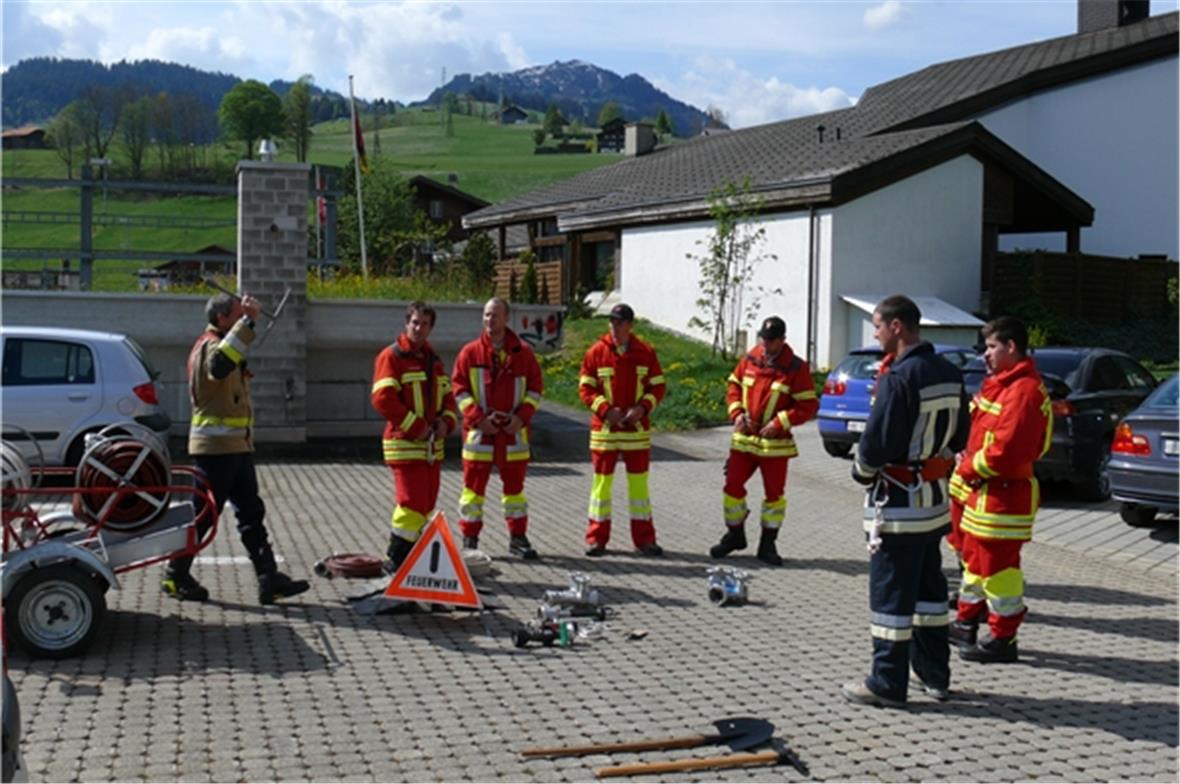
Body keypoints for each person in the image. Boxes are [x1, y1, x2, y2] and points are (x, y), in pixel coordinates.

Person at [842, 295, 969, 708]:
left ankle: (887, 682)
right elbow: (961, 437)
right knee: (930, 593)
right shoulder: (949, 372)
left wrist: (859, 472)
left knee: (891, 599)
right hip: (932, 504)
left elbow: (877, 444)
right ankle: (935, 676)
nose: (875, 333)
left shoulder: (899, 377)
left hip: (896, 505)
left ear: (898, 326)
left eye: (877, 325)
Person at [162, 292, 310, 605]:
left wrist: (244, 324)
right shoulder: (210, 347)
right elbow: (219, 366)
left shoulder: (223, 343)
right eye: (236, 313)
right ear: (221, 319)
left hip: (235, 446)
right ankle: (176, 575)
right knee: (203, 515)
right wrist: (249, 322)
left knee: (251, 513)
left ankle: (268, 579)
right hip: (216, 449)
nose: (242, 316)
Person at [948, 316, 1052, 664]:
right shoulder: (1002, 384)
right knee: (976, 562)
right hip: (985, 492)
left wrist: (965, 466)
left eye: (992, 347)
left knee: (1000, 570)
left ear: (1011, 347)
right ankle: (966, 622)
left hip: (1004, 495)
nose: (985, 355)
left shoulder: (1022, 392)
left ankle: (1004, 638)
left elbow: (1006, 451)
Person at [711, 316, 818, 566]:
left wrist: (780, 422)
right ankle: (735, 535)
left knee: (774, 496)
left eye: (770, 340)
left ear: (782, 340)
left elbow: (807, 405)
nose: (765, 344)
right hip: (745, 440)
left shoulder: (795, 368)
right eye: (763, 338)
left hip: (775, 445)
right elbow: (734, 386)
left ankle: (768, 545)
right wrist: (737, 413)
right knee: (732, 487)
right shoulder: (751, 358)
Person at [451, 298, 544, 559]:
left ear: (506, 319)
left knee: (515, 492)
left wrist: (521, 417)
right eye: (486, 315)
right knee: (472, 492)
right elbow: (459, 390)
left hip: (513, 434)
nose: (489, 321)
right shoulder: (470, 353)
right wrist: (478, 418)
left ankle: (518, 538)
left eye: (494, 315)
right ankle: (470, 541)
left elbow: (536, 389)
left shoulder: (523, 354)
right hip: (480, 434)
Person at [371, 301, 459, 570]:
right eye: (415, 322)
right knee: (411, 504)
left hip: (431, 448)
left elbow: (448, 397)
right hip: (405, 444)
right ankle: (396, 559)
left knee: (426, 506)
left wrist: (446, 422)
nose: (419, 328)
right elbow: (382, 399)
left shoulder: (433, 360)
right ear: (406, 322)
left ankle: (412, 559)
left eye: (425, 324)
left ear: (431, 328)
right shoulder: (392, 356)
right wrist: (416, 426)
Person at [578, 303, 667, 557]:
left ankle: (644, 540)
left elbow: (658, 386)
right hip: (605, 431)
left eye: (619, 323)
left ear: (630, 325)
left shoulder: (645, 352)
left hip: (635, 432)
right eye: (612, 322)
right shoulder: (596, 352)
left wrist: (642, 408)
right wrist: (606, 410)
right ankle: (596, 539)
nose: (614, 327)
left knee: (639, 489)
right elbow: (586, 388)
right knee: (601, 489)